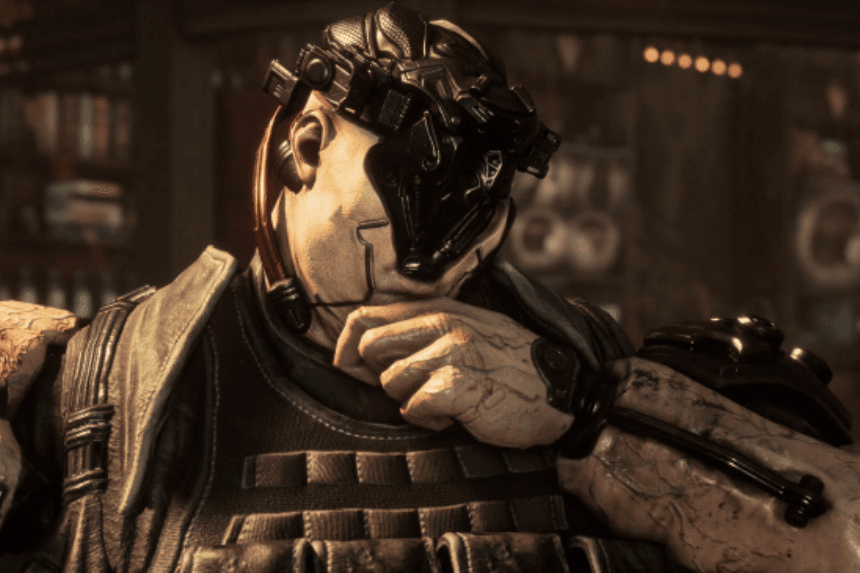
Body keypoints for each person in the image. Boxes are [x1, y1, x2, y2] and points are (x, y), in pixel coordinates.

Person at [0, 4, 858, 572]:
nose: (443, 267)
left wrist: (587, 413)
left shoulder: (577, 359)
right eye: (412, 206)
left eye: (480, 218)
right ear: (307, 147)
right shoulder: (104, 388)